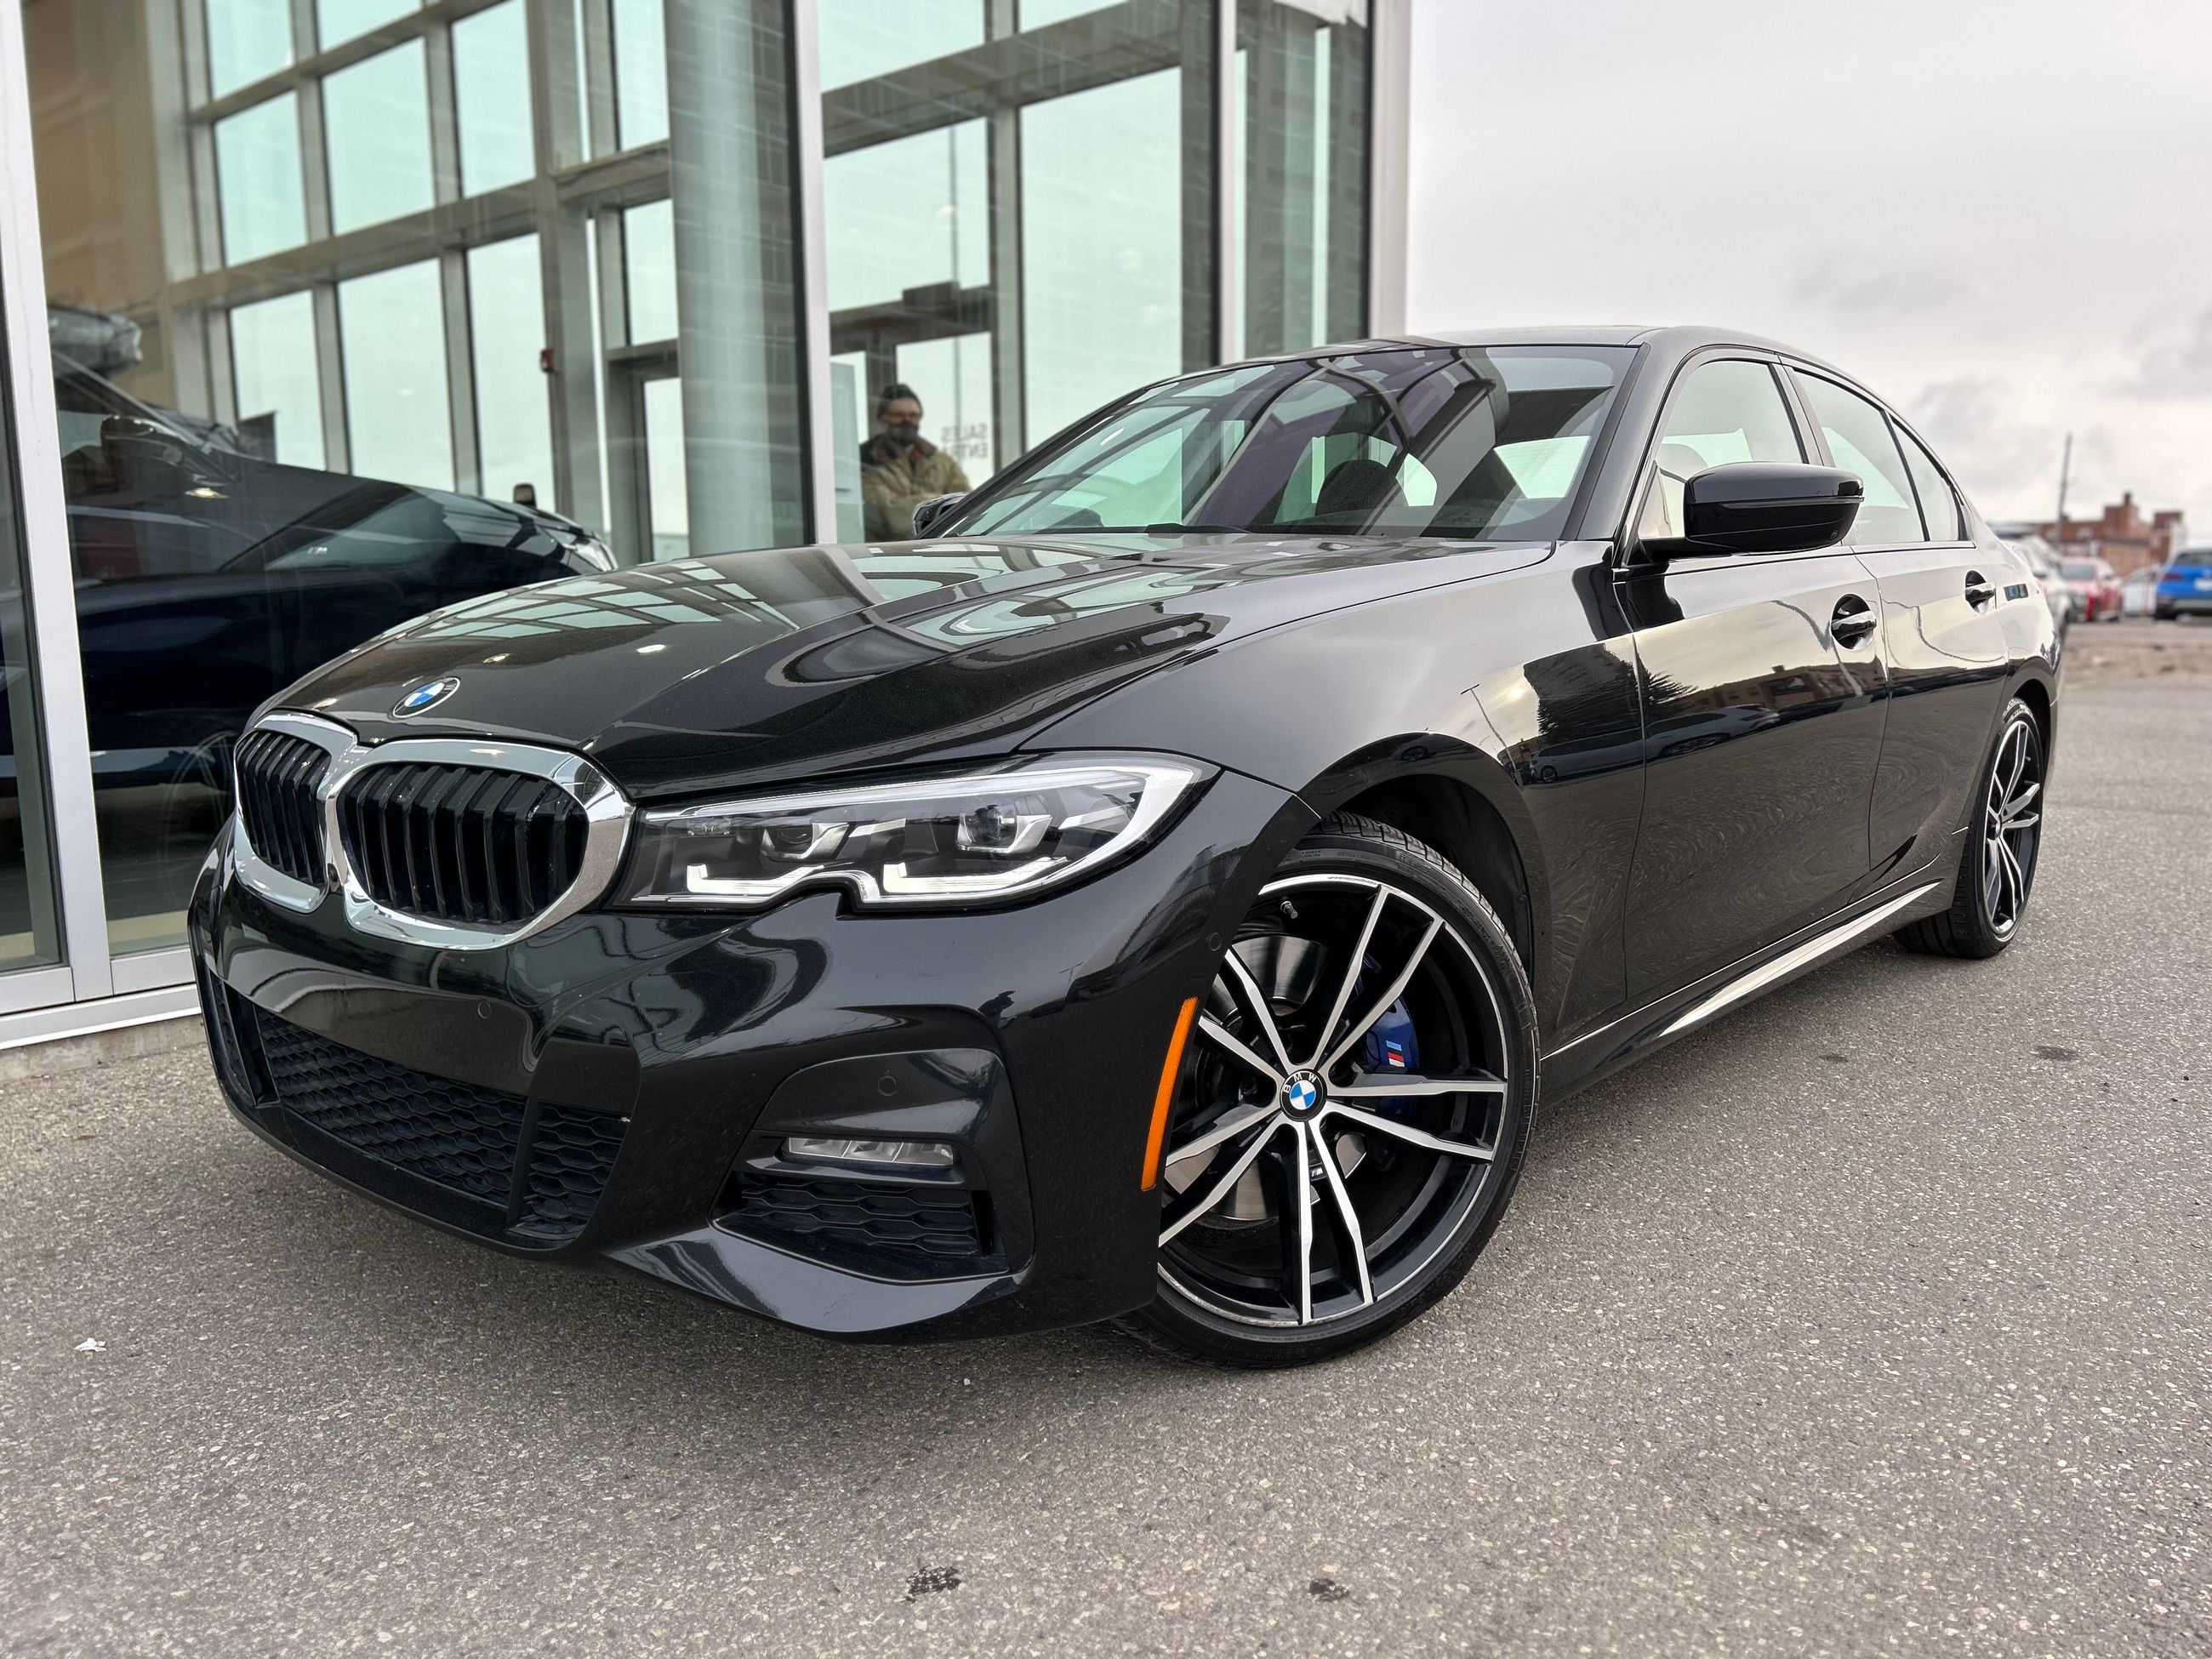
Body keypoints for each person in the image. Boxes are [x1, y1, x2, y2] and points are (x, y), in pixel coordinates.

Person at [858, 382, 971, 541]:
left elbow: (966, 505)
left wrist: (913, 503)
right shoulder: (865, 458)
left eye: (913, 415)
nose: (907, 421)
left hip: (937, 547)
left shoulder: (942, 461)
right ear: (882, 418)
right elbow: (889, 514)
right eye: (899, 415)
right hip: (883, 552)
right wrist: (939, 501)